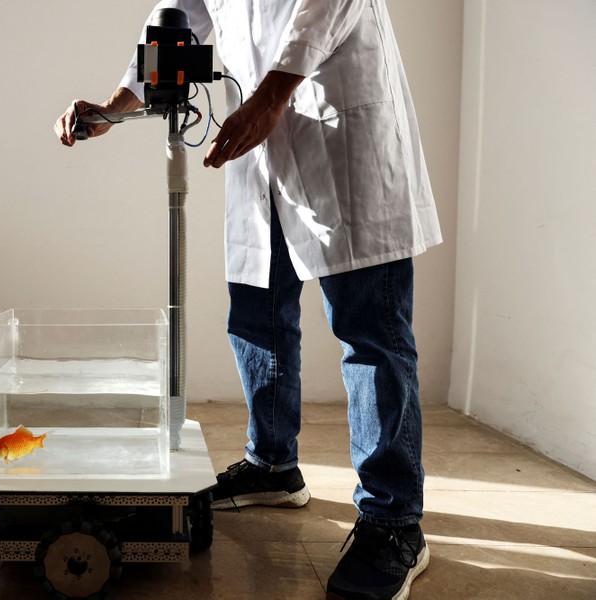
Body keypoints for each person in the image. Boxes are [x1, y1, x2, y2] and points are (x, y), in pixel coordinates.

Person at [54, 1, 442, 598]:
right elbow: (179, 17)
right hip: (262, 145)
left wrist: (269, 98)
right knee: (257, 316)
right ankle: (272, 467)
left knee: (371, 335)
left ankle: (394, 523)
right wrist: (115, 107)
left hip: (337, 125)